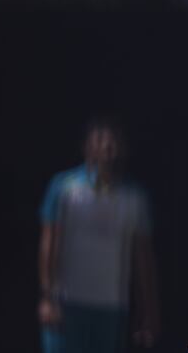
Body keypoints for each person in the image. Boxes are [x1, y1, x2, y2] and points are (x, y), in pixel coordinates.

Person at [37, 116, 160, 353]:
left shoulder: (134, 197)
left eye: (113, 141)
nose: (107, 147)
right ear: (86, 146)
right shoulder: (64, 187)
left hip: (111, 307)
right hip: (68, 303)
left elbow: (143, 258)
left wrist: (149, 310)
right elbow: (49, 244)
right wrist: (47, 297)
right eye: (101, 140)